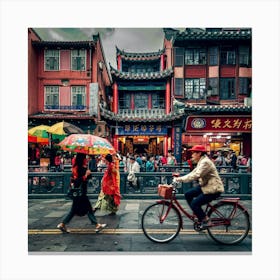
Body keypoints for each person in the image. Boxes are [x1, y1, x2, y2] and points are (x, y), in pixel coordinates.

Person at [173, 145, 224, 229]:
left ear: (199, 153)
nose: (192, 155)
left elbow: (196, 175)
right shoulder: (201, 160)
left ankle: (205, 219)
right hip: (206, 186)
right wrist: (179, 178)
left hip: (213, 189)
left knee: (195, 204)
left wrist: (180, 179)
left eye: (194, 153)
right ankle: (199, 214)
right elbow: (193, 172)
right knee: (188, 194)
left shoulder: (205, 162)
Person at [57, 153, 107, 233]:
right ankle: (97, 225)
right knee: (88, 209)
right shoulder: (79, 168)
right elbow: (77, 180)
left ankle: (62, 224)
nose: (86, 159)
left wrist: (87, 172)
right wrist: (86, 175)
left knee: (75, 210)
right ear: (82, 159)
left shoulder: (77, 168)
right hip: (81, 193)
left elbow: (88, 177)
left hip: (79, 193)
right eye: (85, 158)